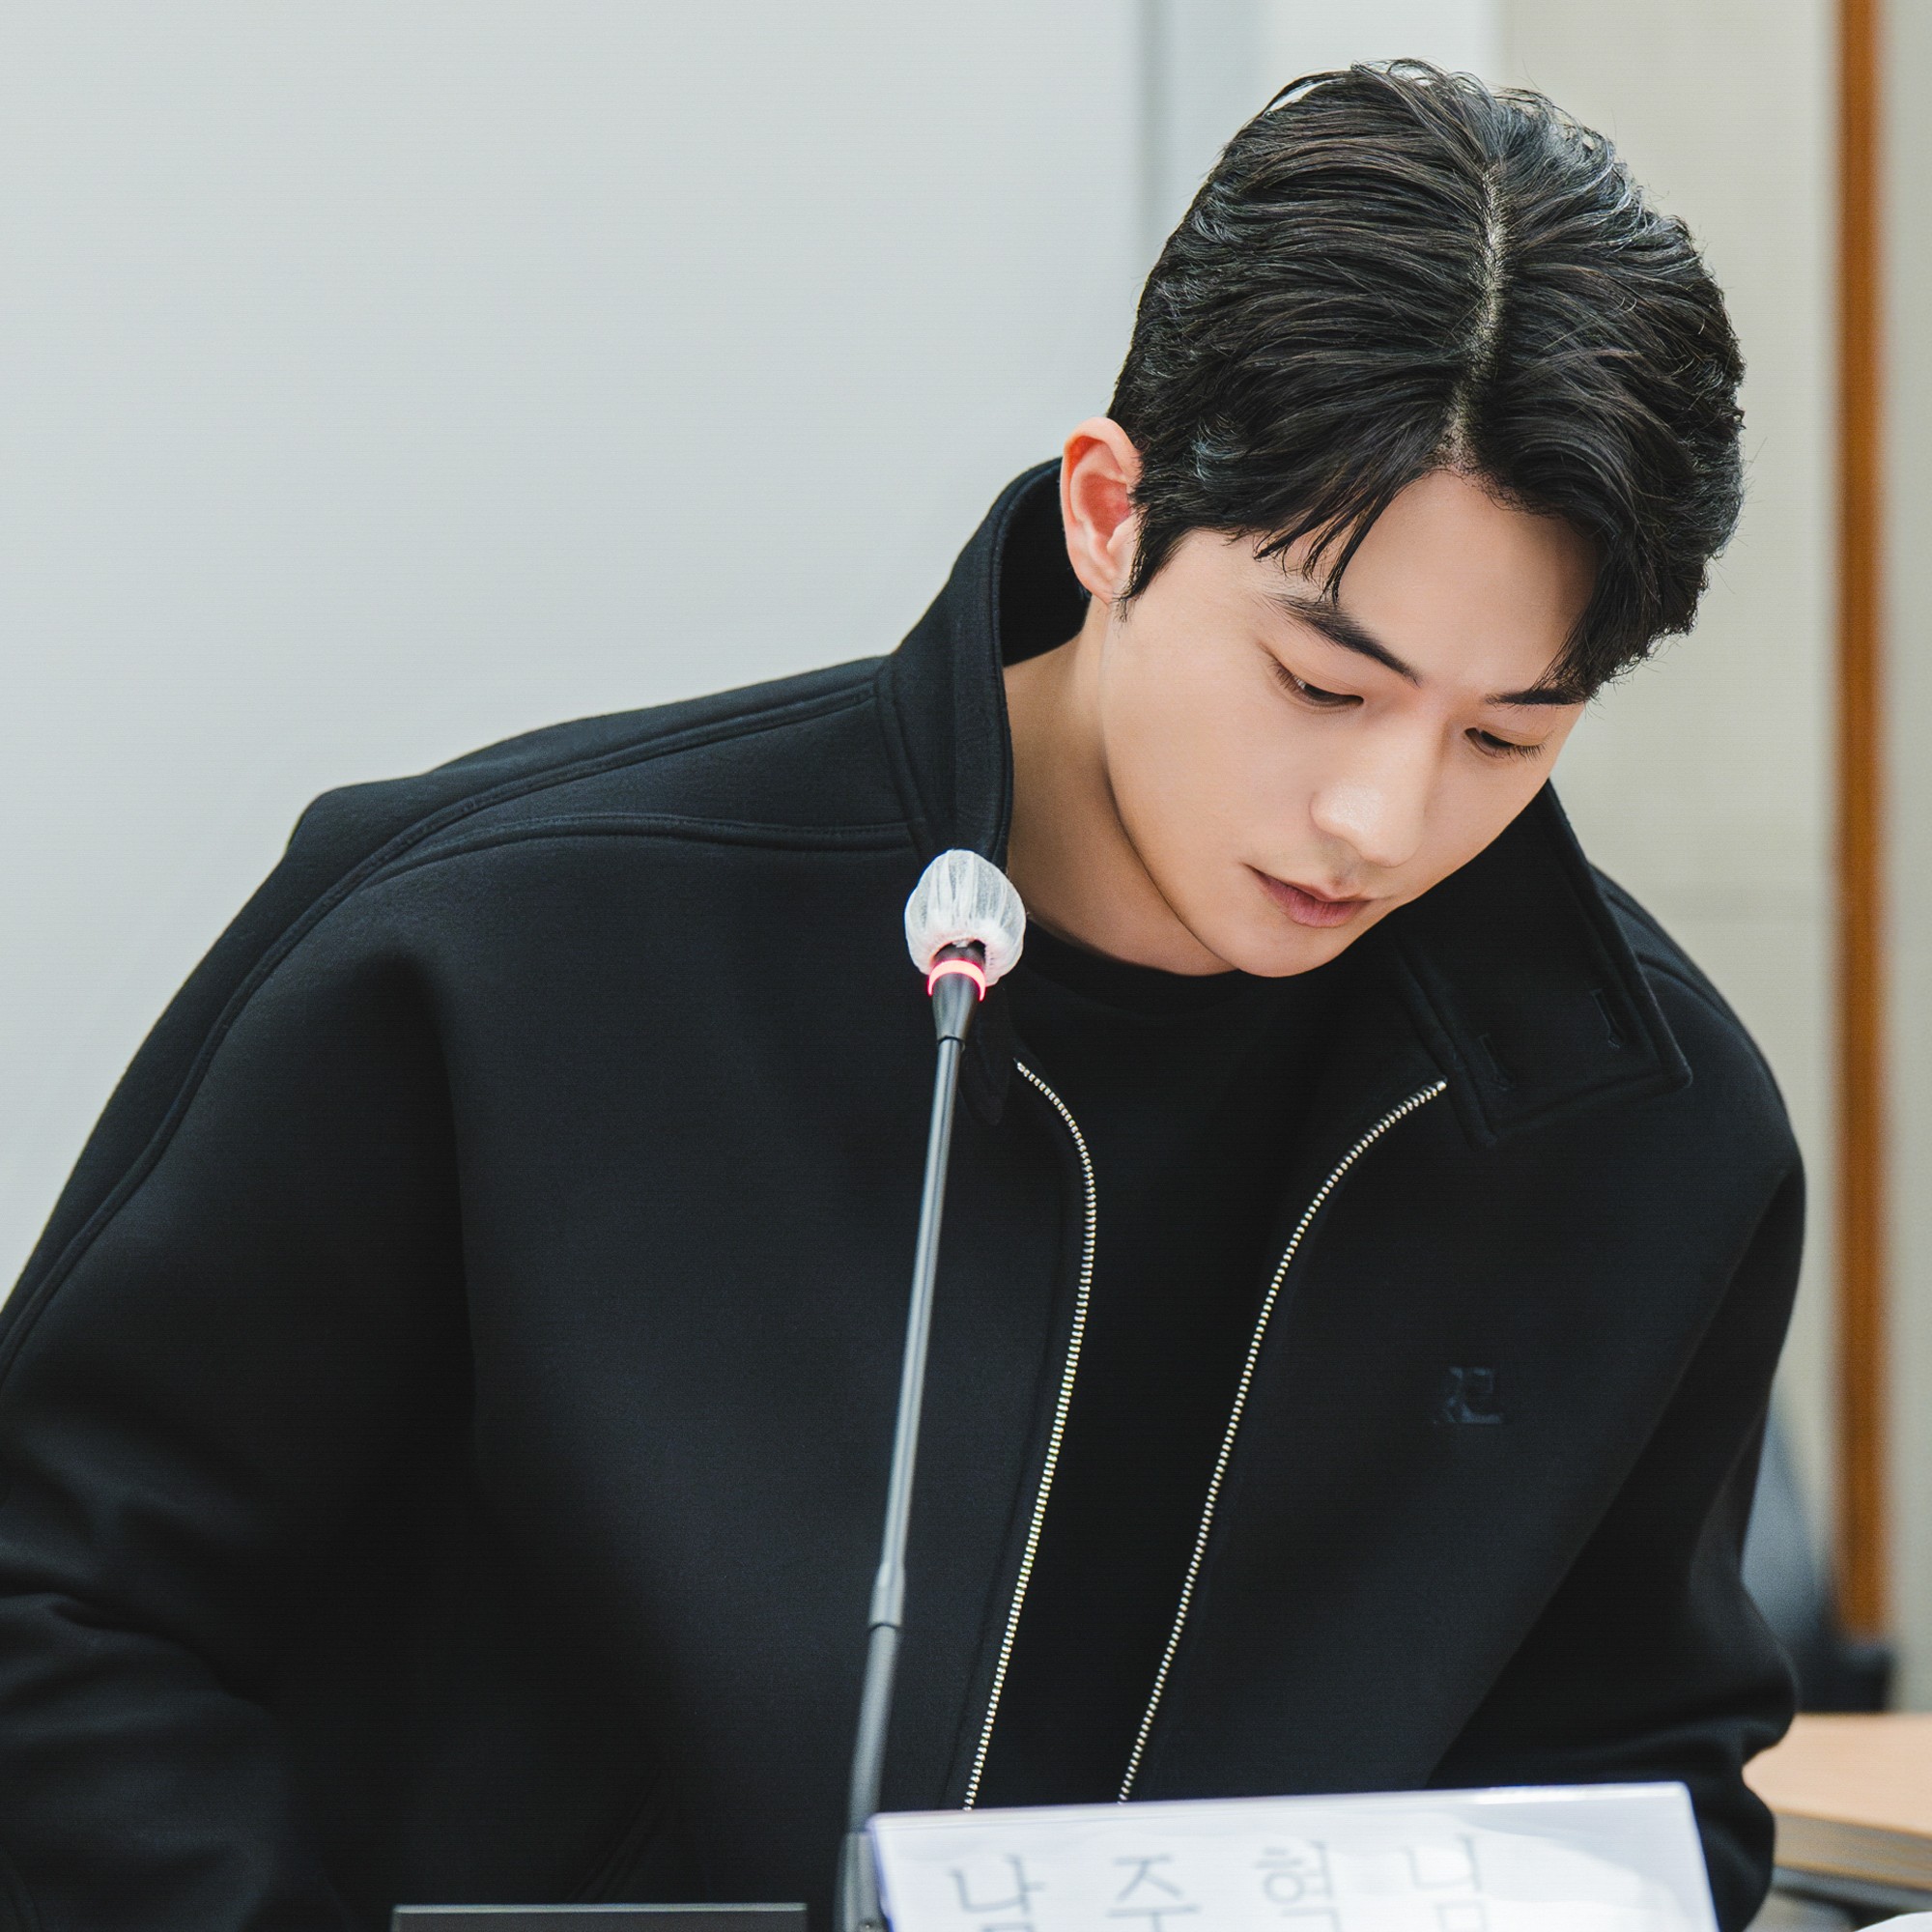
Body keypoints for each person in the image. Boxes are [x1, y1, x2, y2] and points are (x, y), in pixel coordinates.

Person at [0, 62, 1798, 1932]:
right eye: (1320, 686)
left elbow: (1635, 1791)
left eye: (1506, 735)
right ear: (1111, 511)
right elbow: (58, 1605)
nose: (1380, 818)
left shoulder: (1636, 1127)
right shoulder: (501, 955)